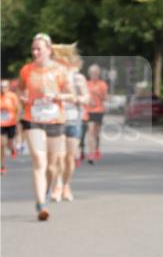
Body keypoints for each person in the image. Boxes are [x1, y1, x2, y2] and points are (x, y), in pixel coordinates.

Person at [18, 33, 71, 221]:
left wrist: (58, 97)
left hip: (55, 120)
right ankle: (41, 204)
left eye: (39, 48)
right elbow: (20, 89)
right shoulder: (26, 70)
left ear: (49, 50)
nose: (35, 52)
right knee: (38, 160)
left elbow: (70, 94)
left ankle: (47, 189)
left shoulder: (60, 71)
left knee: (52, 166)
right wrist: (22, 98)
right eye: (33, 48)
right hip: (33, 118)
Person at [51, 44, 89, 202]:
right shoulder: (51, 77)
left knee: (70, 157)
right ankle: (58, 186)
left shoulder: (78, 78)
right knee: (58, 156)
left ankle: (66, 185)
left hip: (73, 120)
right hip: (56, 120)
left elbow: (86, 97)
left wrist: (78, 99)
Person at [85, 63, 108, 162]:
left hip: (99, 110)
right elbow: (84, 96)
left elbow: (105, 98)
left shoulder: (102, 84)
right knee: (90, 132)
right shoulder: (87, 84)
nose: (94, 75)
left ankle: (97, 149)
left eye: (96, 73)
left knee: (96, 134)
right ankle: (91, 154)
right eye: (92, 73)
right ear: (89, 74)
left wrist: (98, 93)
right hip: (89, 110)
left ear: (98, 74)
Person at [1, 78, 21, 173]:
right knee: (1, 144)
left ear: (8, 87)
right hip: (1, 124)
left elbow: (18, 109)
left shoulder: (12, 96)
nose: (2, 88)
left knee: (9, 143)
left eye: (4, 86)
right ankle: (2, 165)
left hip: (11, 123)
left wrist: (17, 121)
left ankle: (13, 149)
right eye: (1, 86)